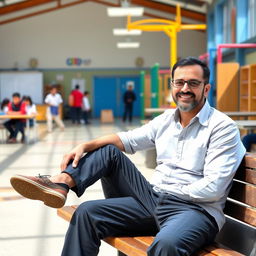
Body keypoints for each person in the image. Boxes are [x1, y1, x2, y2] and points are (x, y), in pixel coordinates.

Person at [10, 57, 245, 256]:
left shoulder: (221, 128)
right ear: (172, 86)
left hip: (195, 211)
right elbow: (128, 140)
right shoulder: (166, 120)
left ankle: (62, 183)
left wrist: (167, 192)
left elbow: (213, 188)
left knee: (166, 244)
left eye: (193, 83)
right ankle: (62, 183)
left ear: (206, 88)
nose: (185, 89)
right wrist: (86, 144)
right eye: (179, 82)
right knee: (88, 208)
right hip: (154, 200)